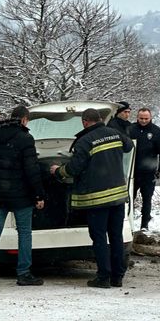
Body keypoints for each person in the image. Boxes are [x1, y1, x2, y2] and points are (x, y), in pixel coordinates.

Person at [50, 108, 133, 288]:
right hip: (118, 196)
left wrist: (57, 170)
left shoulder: (85, 141)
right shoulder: (114, 133)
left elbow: (74, 169)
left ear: (85, 122)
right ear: (101, 119)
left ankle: (103, 277)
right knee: (116, 236)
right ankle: (117, 277)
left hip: (97, 200)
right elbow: (129, 146)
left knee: (99, 238)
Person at [0, 105, 45, 286]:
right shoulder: (25, 138)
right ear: (24, 119)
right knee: (24, 233)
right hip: (21, 196)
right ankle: (23, 273)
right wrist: (39, 195)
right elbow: (32, 170)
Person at [129, 107, 160, 230]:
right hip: (132, 171)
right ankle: (129, 222)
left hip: (148, 171)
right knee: (130, 197)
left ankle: (144, 224)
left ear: (150, 118)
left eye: (146, 118)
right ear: (137, 117)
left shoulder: (156, 131)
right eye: (141, 118)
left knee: (147, 198)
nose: (143, 121)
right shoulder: (131, 129)